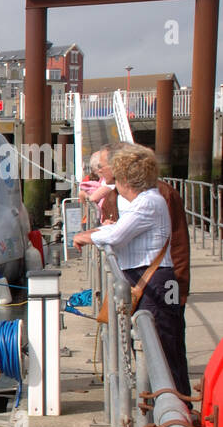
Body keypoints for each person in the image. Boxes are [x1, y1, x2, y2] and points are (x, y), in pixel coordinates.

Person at [74, 145, 190, 395]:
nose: (111, 182)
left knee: (164, 346)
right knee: (156, 343)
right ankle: (167, 403)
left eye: (114, 176)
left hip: (155, 281)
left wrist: (86, 237)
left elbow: (117, 235)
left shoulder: (147, 203)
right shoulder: (143, 201)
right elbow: (118, 230)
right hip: (147, 278)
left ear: (126, 178)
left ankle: (176, 405)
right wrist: (94, 233)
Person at [95, 142, 190, 298]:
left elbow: (178, 243)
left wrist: (179, 289)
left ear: (118, 165)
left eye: (102, 165)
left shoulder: (162, 194)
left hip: (159, 279)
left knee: (159, 321)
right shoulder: (111, 198)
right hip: (130, 279)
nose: (99, 170)